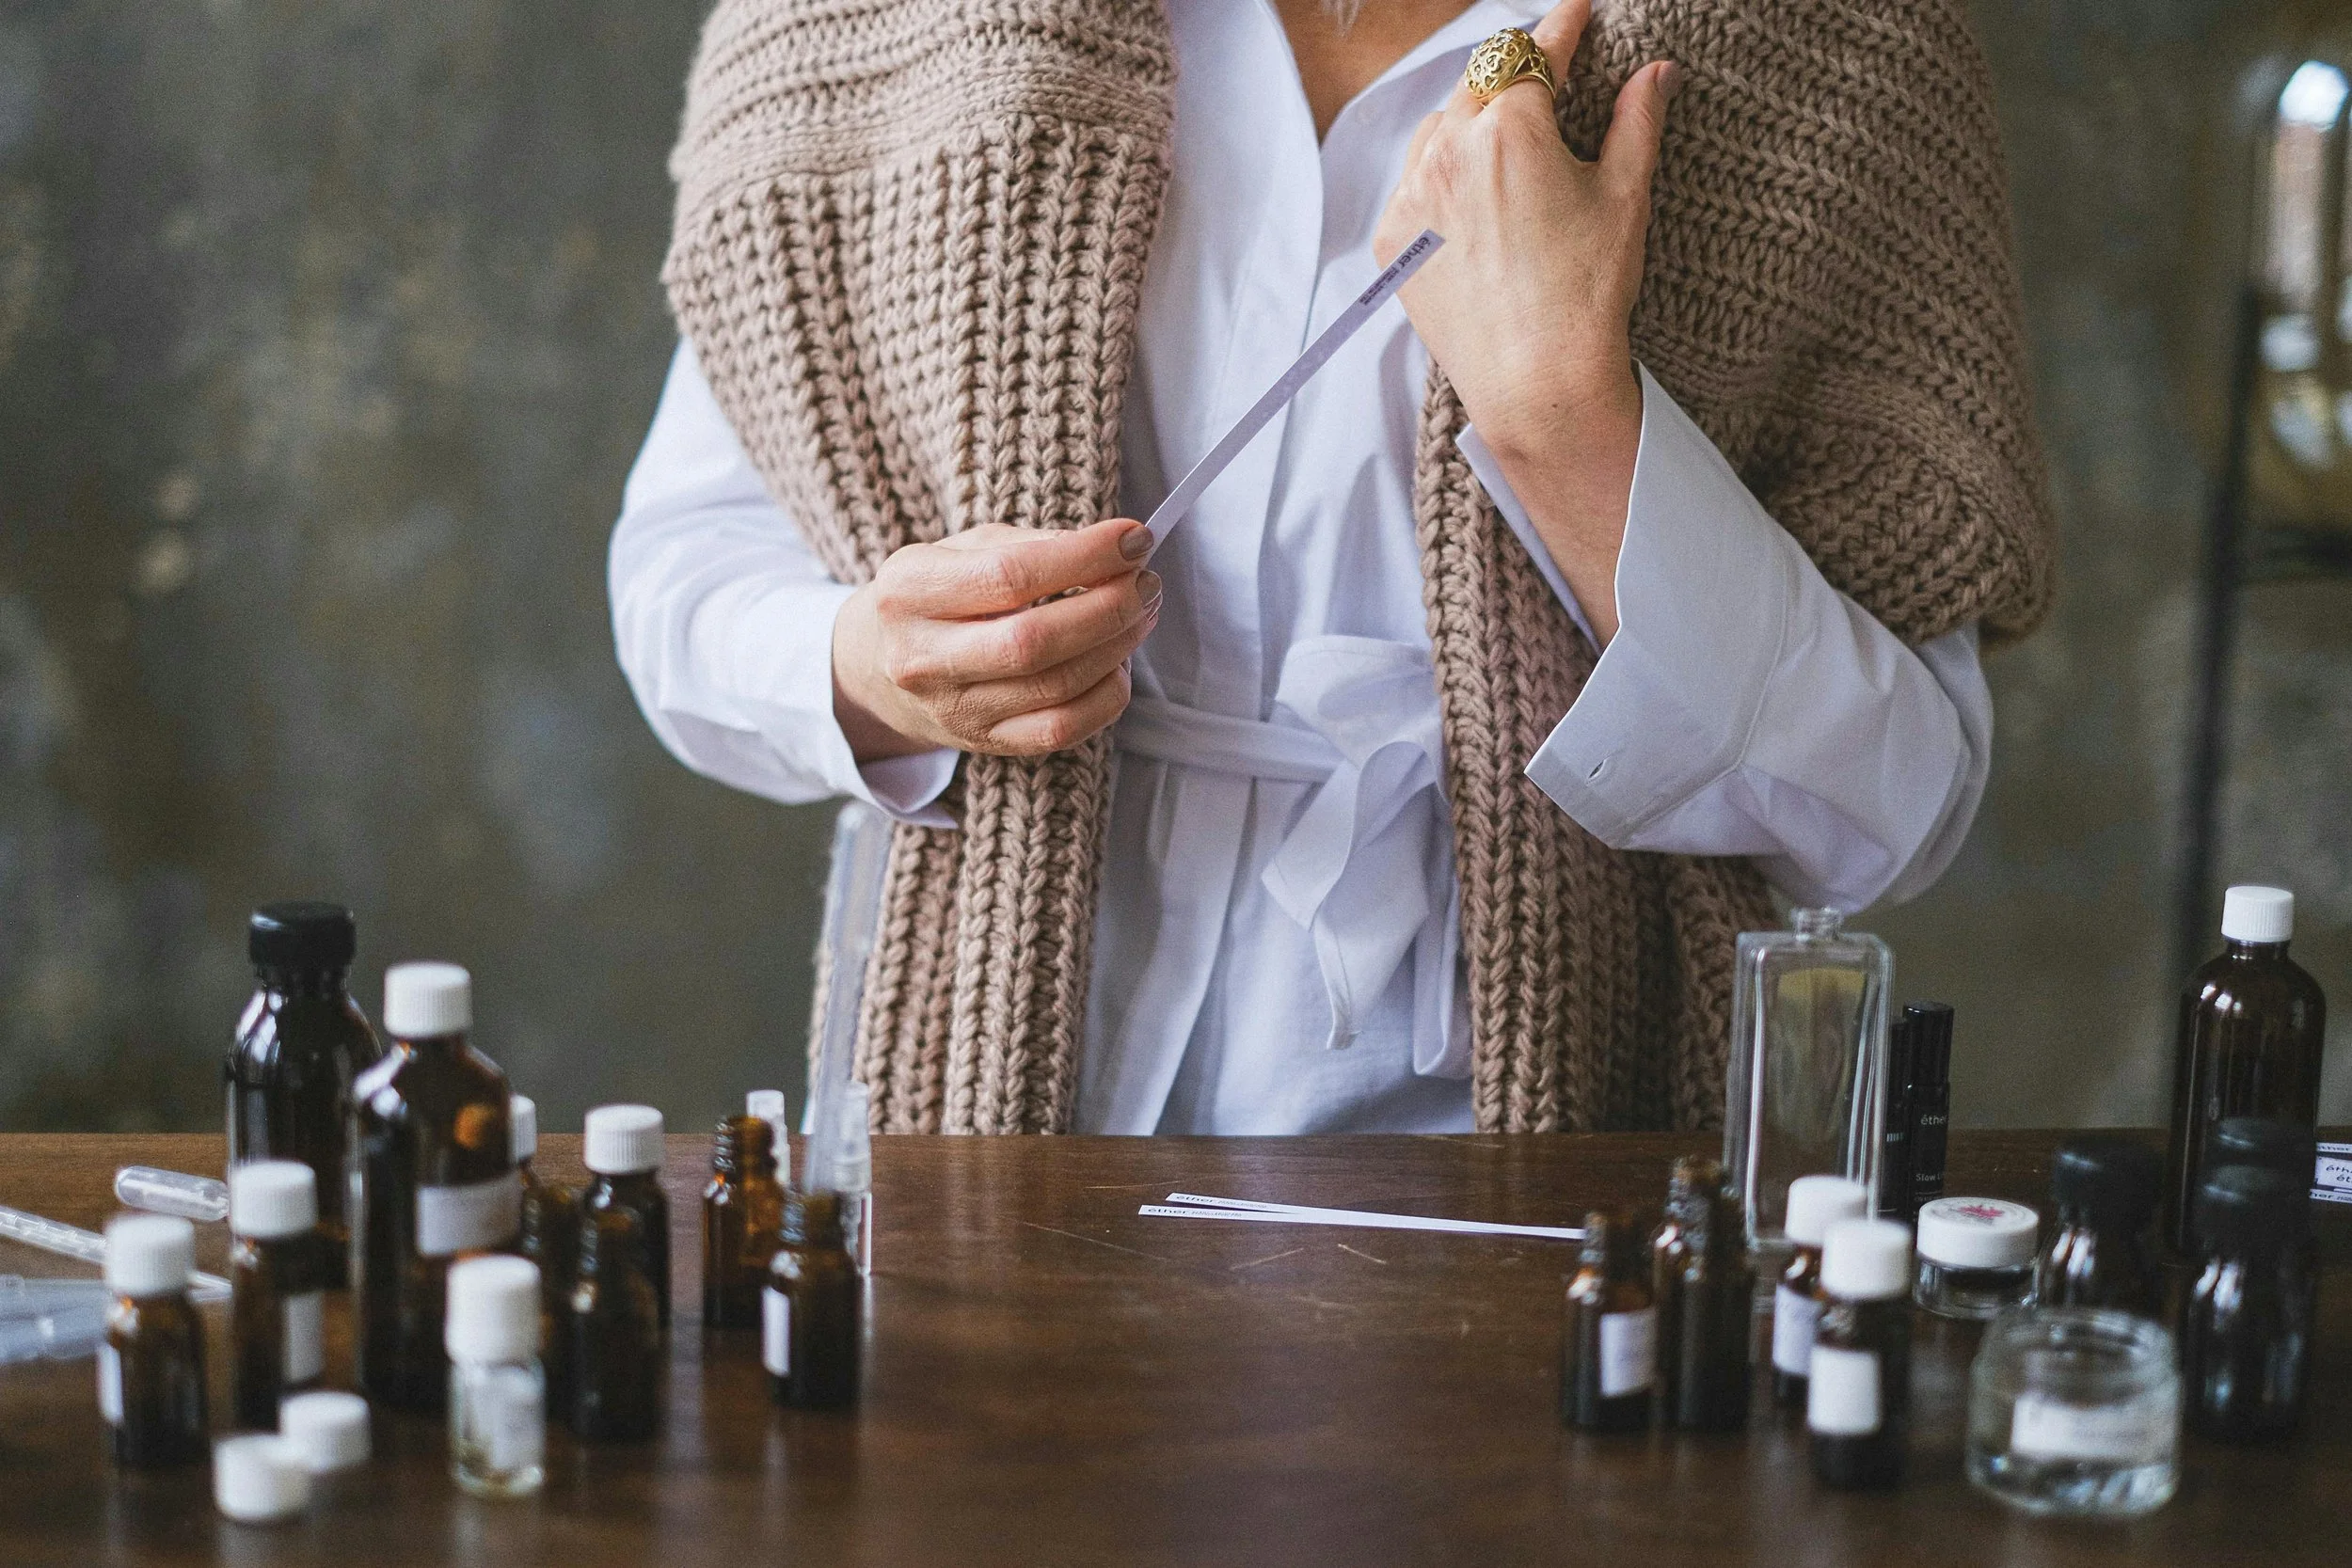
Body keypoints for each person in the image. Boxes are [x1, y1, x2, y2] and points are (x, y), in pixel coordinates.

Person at [612, 0, 2051, 1135]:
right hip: (980, 1114)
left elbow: (1895, 802)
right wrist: (873, 668)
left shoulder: (1833, 50)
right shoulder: (875, 24)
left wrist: (1568, 422)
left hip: (1512, 1179)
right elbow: (685, 579)